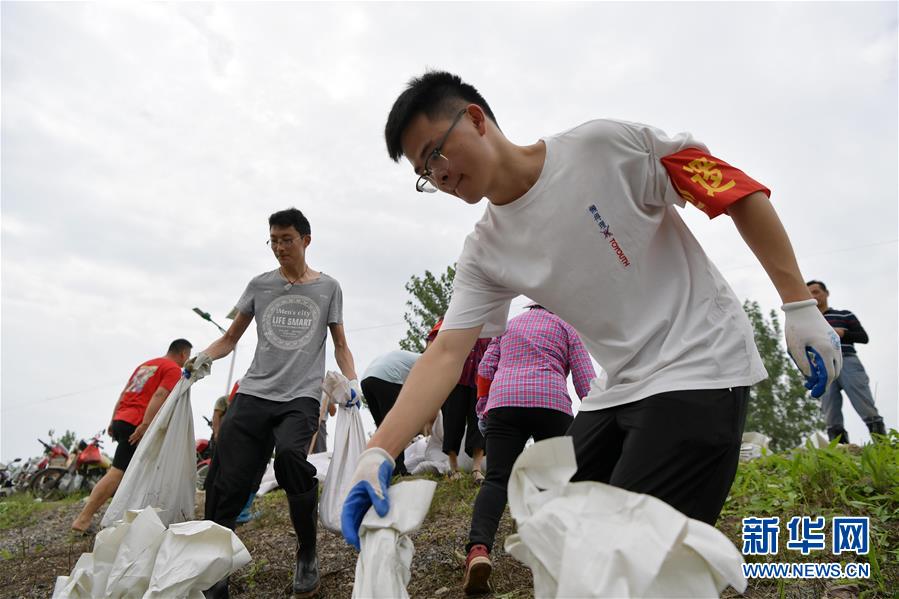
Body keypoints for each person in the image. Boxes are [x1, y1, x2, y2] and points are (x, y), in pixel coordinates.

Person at [341, 70, 842, 553]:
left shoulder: (602, 147)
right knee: (559, 533)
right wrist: (377, 452)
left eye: (436, 153)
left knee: (627, 559)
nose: (440, 174)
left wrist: (799, 305)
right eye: (425, 172)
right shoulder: (486, 251)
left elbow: (734, 191)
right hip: (620, 385)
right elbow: (447, 352)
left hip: (698, 361)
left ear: (475, 118)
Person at [188, 207, 362, 599]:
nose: (279, 247)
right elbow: (230, 338)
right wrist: (202, 358)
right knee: (226, 477)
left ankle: (306, 551)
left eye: (287, 239)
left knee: (290, 460)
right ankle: (217, 567)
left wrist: (352, 384)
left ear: (306, 240)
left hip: (300, 396)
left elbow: (340, 344)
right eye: (273, 240)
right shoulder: (260, 285)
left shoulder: (328, 288)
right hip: (253, 393)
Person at [464, 304, 595, 594]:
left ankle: (479, 550)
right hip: (551, 403)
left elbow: (485, 369)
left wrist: (483, 408)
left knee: (497, 479)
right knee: (557, 483)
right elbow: (587, 382)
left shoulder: (508, 326)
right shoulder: (566, 325)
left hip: (504, 401)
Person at [71, 338, 192, 533]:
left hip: (122, 418)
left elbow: (123, 393)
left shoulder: (145, 366)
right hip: (137, 422)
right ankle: (83, 519)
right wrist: (145, 424)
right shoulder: (171, 369)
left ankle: (126, 517)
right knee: (118, 472)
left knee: (131, 471)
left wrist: (113, 420)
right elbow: (160, 395)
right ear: (183, 354)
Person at [807, 280, 886, 443]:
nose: (813, 296)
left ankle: (882, 445)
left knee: (864, 403)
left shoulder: (844, 315)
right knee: (830, 411)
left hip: (847, 360)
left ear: (826, 293)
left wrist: (842, 334)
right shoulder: (808, 322)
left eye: (816, 292)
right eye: (809, 293)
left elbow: (863, 337)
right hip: (822, 367)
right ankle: (841, 451)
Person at [428, 318, 490, 482]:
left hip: (480, 381)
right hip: (454, 380)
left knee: (478, 425)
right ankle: (453, 468)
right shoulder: (449, 321)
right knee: (452, 423)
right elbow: (431, 347)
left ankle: (477, 469)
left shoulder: (489, 326)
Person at [360, 349, 422, 475]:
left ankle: (377, 468)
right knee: (396, 428)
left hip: (367, 379)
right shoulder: (429, 361)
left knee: (382, 427)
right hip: (386, 377)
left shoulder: (411, 359)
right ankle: (398, 470)